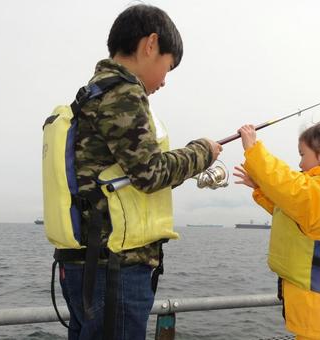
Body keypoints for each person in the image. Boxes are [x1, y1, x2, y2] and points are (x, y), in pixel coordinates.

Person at [50, 4, 222, 340]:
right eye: (167, 67)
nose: (164, 80)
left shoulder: (91, 94)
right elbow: (150, 173)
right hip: (115, 268)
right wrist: (203, 152)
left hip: (83, 264)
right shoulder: (123, 93)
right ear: (150, 45)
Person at [234, 111, 320, 340]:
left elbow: (289, 187)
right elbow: (293, 212)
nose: (300, 162)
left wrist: (253, 150)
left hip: (318, 310)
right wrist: (260, 188)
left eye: (303, 154)